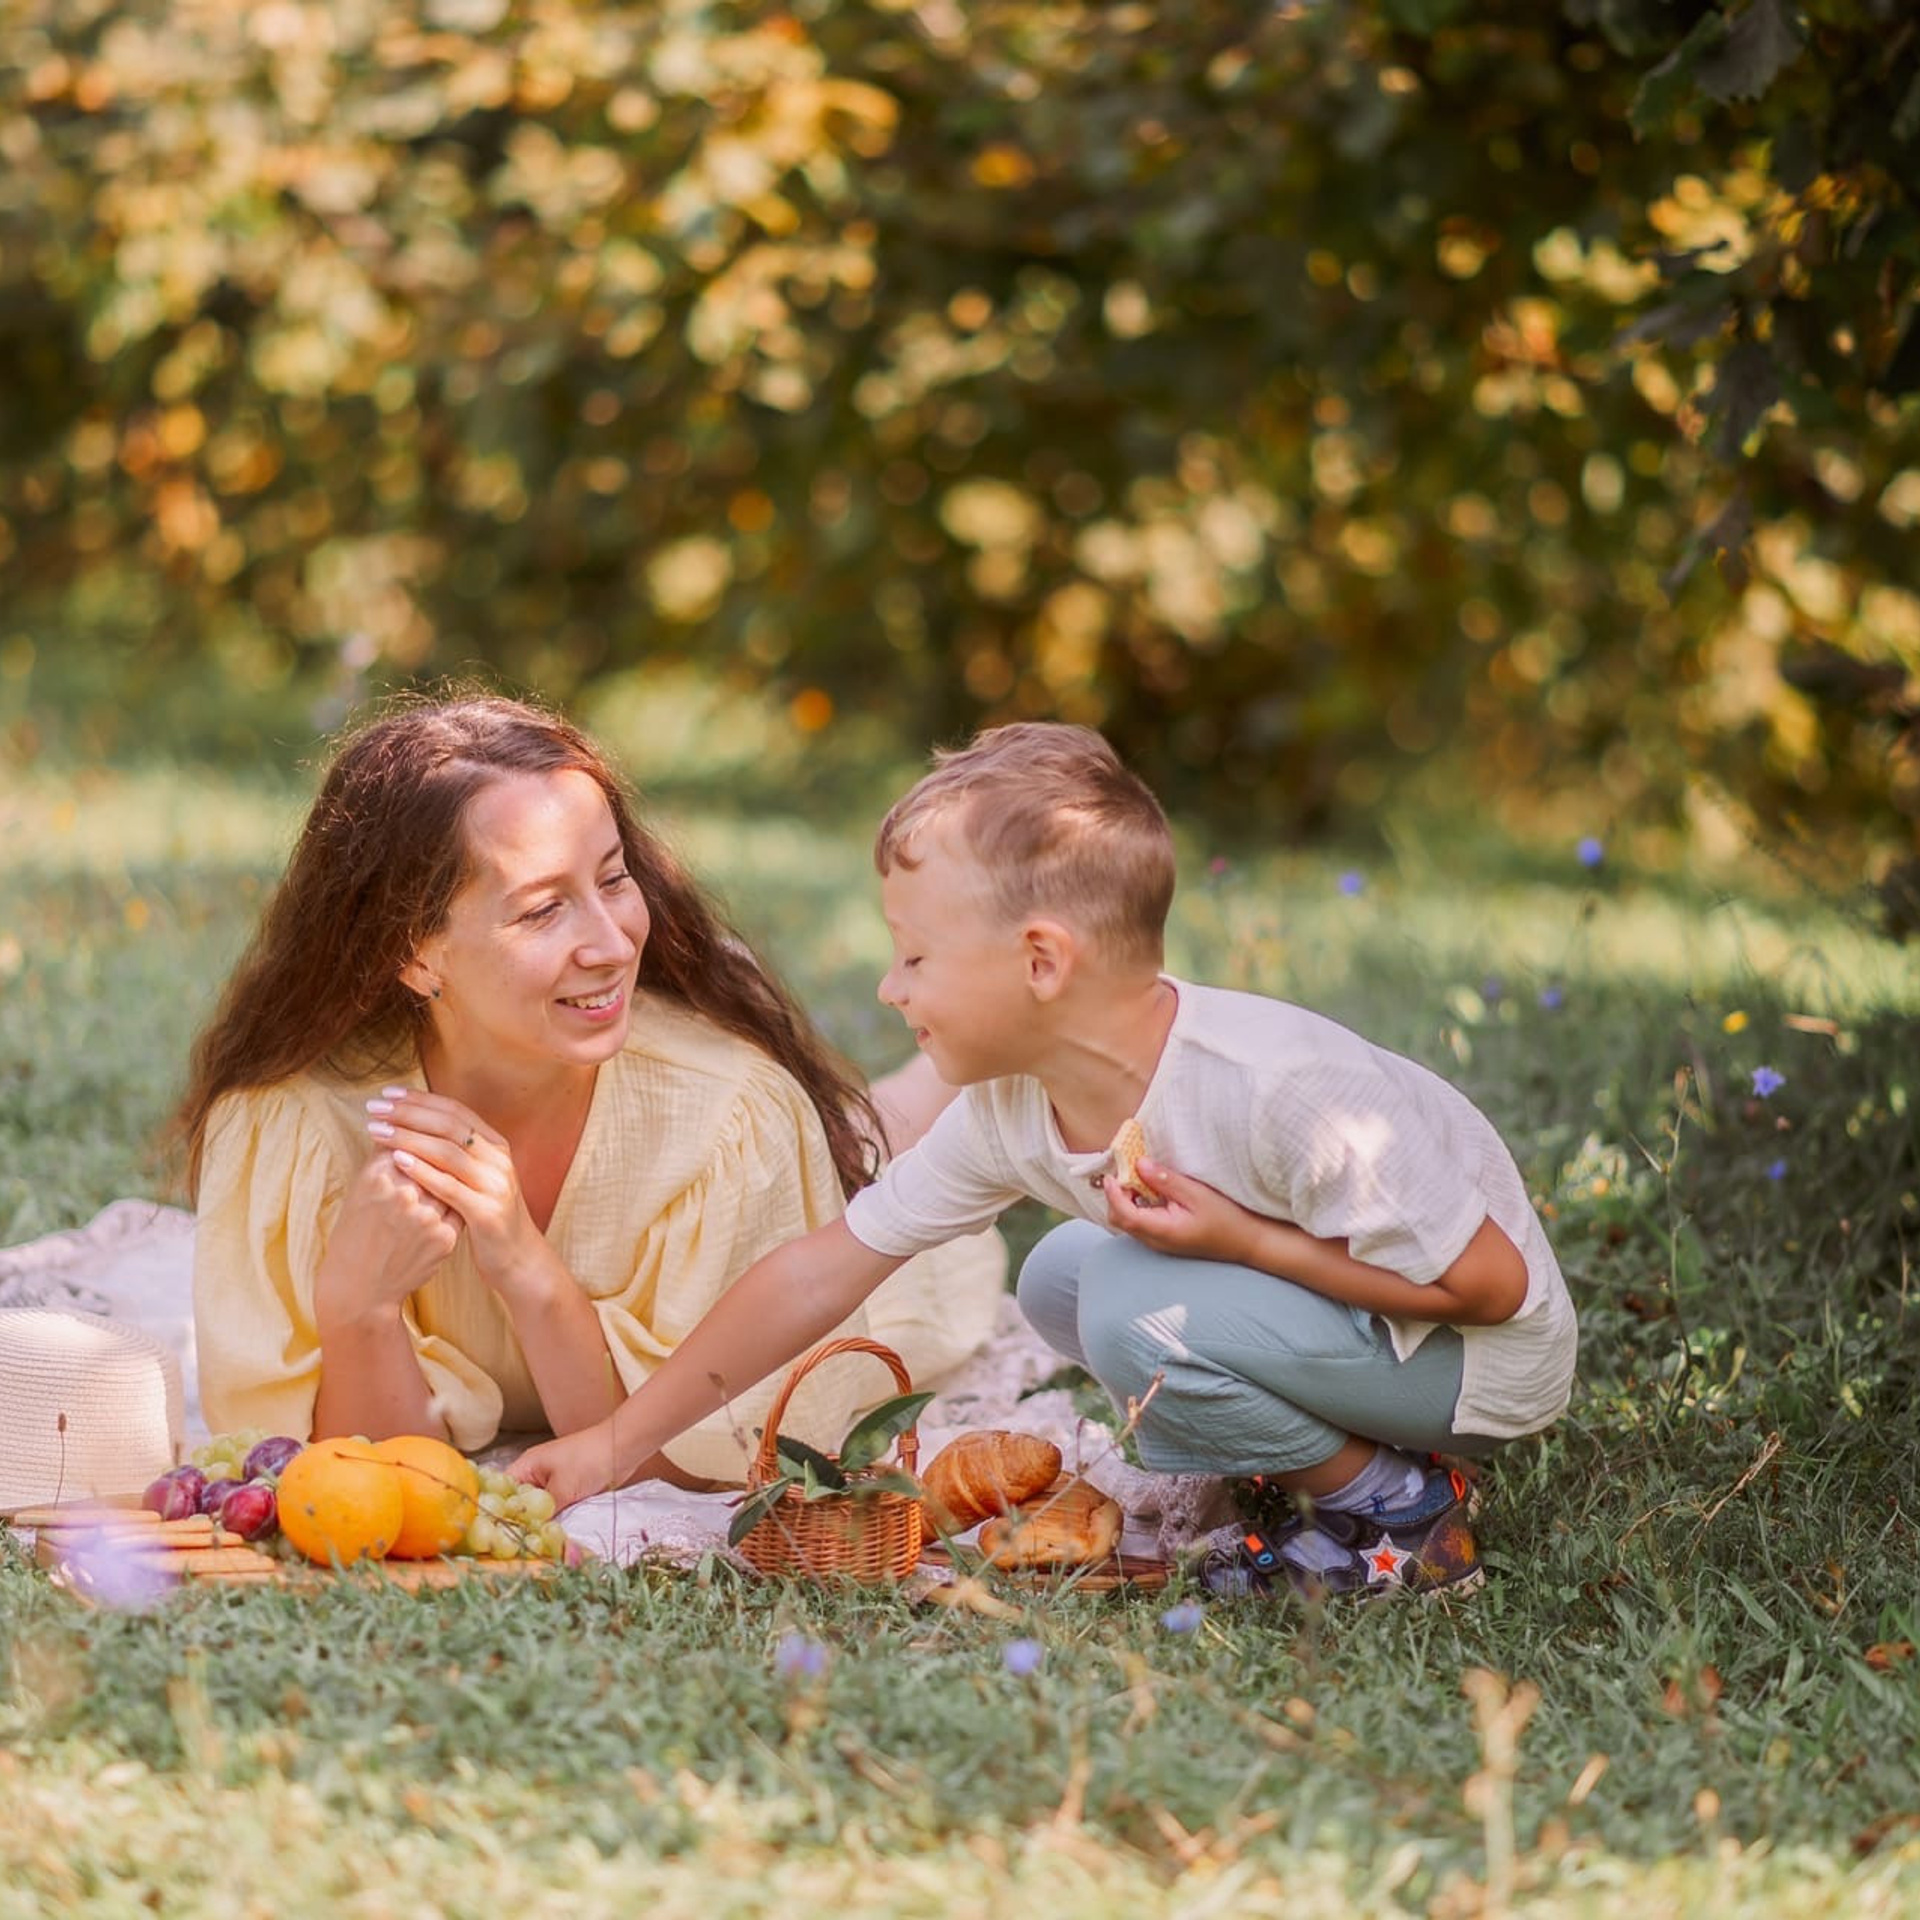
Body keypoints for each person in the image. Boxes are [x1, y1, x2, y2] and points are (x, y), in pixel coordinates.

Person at [516, 720, 1577, 1596]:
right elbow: (821, 1269)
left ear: (1040, 963)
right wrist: (615, 1444)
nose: (891, 988)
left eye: (916, 956)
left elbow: (1492, 1287)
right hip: (1358, 1331)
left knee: (1128, 1312)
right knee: (1063, 1275)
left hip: (1479, 1363)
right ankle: (1312, 1461)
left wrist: (1242, 1239)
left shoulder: (1276, 1087)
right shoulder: (1011, 1108)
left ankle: (1401, 1513)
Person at [175, 693, 1002, 1486]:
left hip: (828, 1202)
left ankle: (982, 1061)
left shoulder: (731, 1113)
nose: (612, 944)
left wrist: (522, 1260)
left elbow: (691, 1450)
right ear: (416, 952)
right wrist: (360, 1306)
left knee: (883, 1136)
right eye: (542, 910)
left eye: (613, 880)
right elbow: (355, 1468)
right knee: (876, 1118)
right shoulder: (293, 1125)